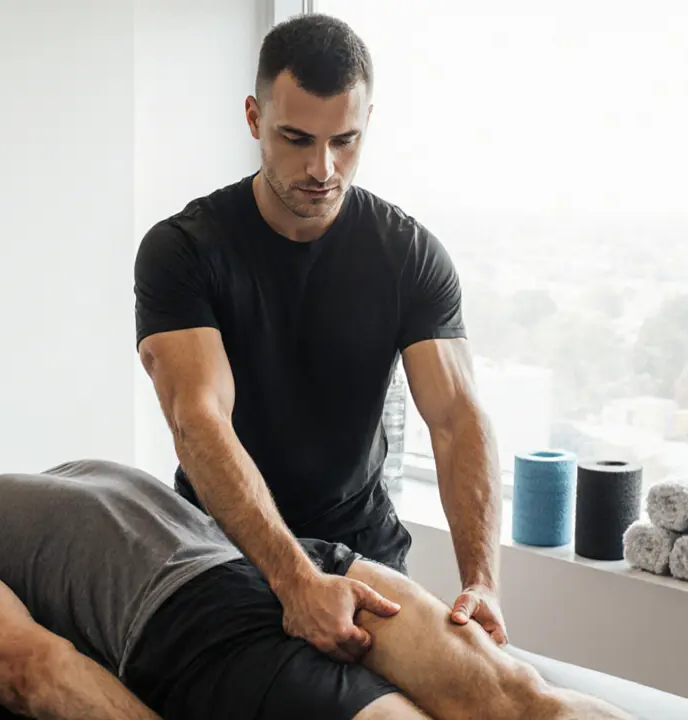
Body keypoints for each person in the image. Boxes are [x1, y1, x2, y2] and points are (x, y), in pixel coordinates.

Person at [134, 13, 505, 665]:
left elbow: (455, 420)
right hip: (221, 550)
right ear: (254, 118)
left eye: (345, 140)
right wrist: (295, 579)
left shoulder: (409, 255)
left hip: (365, 549)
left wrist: (482, 581)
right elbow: (199, 421)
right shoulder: (184, 250)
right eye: (296, 138)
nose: (322, 167)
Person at [0, 459, 631, 720]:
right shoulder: (66, 474)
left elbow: (20, 662)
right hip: (298, 566)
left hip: (198, 620)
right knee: (524, 701)